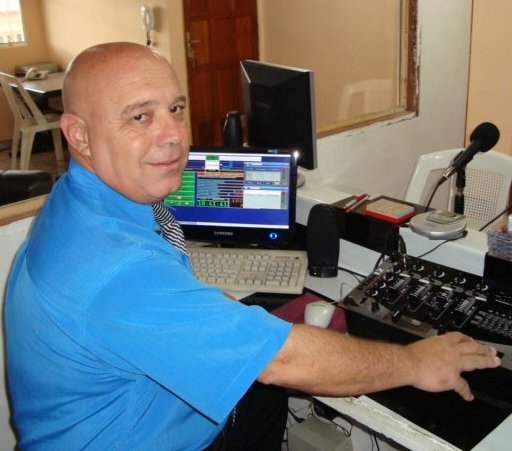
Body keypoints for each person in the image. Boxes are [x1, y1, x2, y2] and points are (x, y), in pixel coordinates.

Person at [4, 42, 500, 450]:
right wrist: (416, 362)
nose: (173, 136)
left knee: (267, 396)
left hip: (136, 416)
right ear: (79, 135)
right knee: (277, 379)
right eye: (139, 117)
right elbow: (284, 360)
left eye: (175, 109)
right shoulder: (115, 269)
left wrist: (212, 310)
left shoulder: (81, 200)